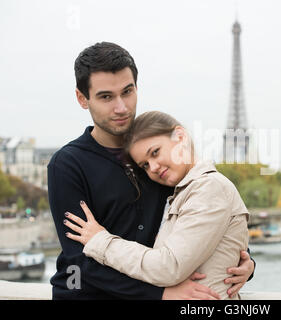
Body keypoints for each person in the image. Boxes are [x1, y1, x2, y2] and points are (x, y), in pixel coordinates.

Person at [48, 42, 255, 300]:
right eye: (106, 97)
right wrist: (158, 293)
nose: (121, 107)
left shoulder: (159, 161)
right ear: (82, 98)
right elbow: (78, 261)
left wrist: (245, 262)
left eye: (128, 91)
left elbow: (201, 225)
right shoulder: (67, 165)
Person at [64, 111, 250, 300]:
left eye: (155, 152)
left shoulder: (209, 187)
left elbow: (168, 267)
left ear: (180, 136)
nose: (152, 167)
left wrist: (101, 241)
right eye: (144, 165)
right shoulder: (185, 192)